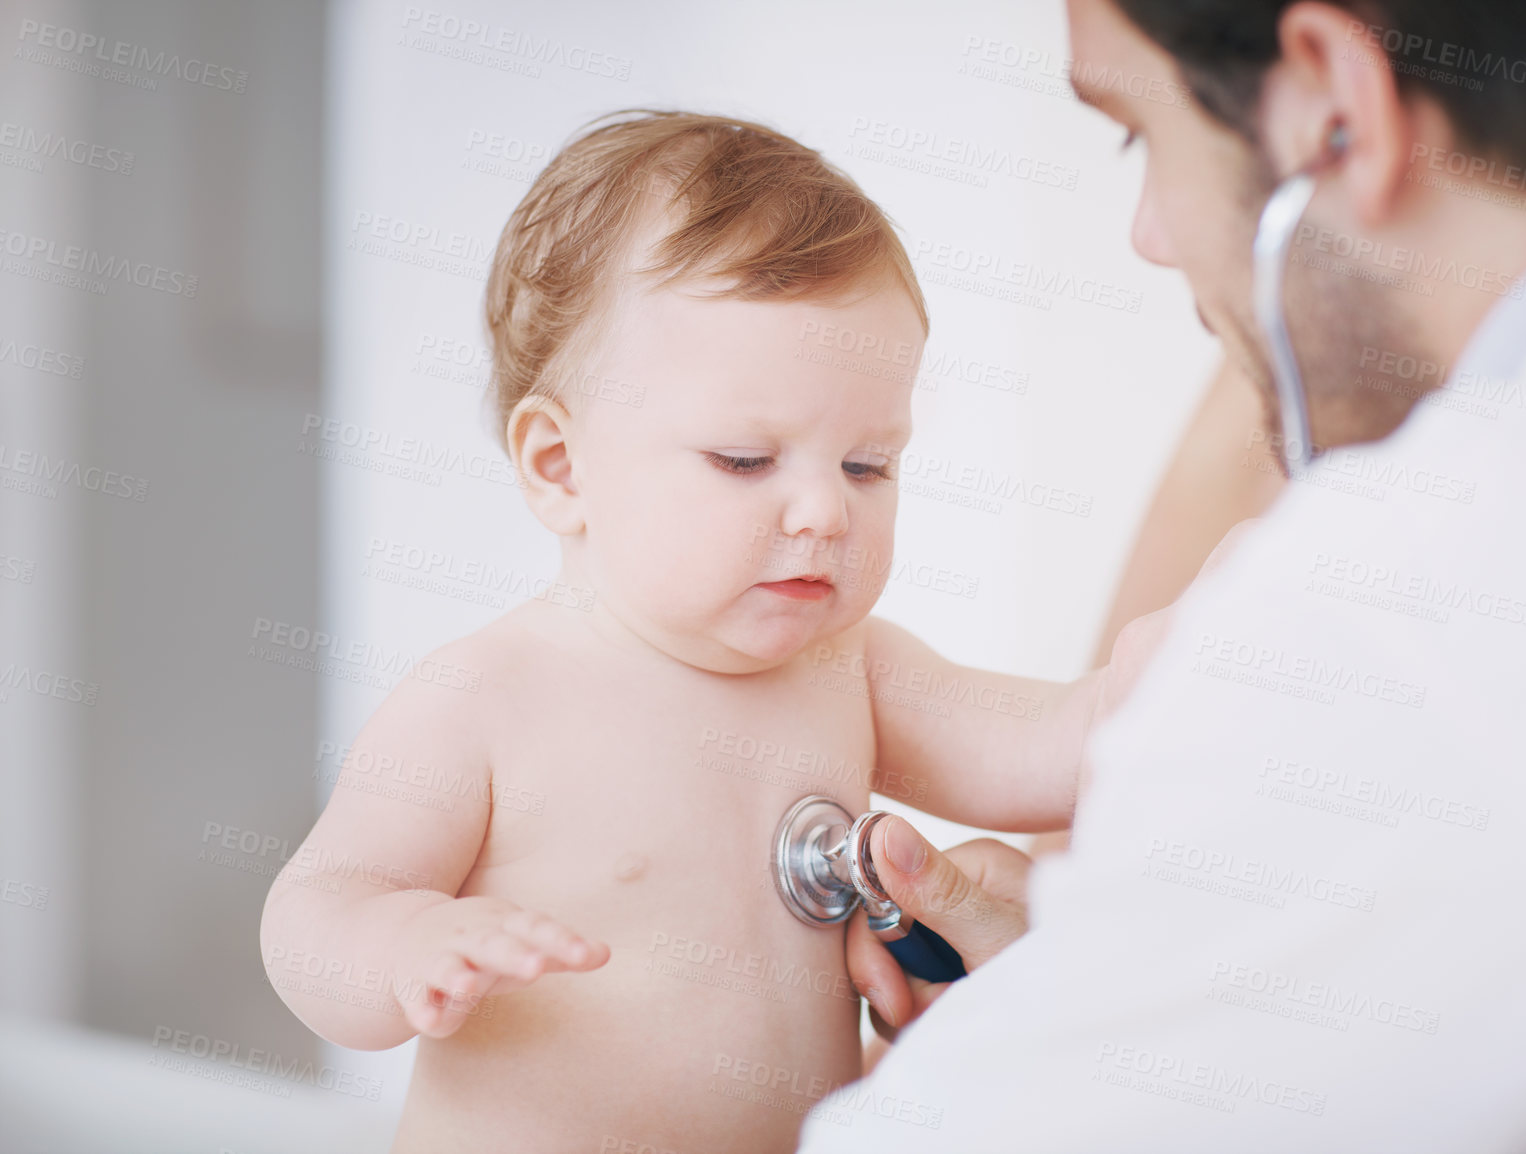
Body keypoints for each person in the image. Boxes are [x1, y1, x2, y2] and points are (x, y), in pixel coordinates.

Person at [808, 1, 1526, 1150]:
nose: (1148, 235)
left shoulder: (1405, 610)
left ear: (1332, 108)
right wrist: (1141, 989)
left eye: (1135, 135)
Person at [258, 110, 1133, 1154]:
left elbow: (1056, 749)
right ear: (558, 465)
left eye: (867, 464)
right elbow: (314, 909)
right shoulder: (487, 698)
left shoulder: (847, 665)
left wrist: (1206, 635)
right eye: (742, 459)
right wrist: (404, 944)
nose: (824, 511)